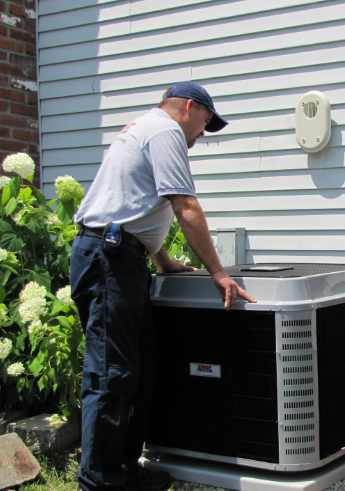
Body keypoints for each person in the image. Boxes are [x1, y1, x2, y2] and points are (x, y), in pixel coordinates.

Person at [70, 81, 256, 491]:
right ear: (188, 107)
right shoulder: (166, 130)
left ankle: (124, 471)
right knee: (112, 373)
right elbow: (184, 205)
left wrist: (162, 261)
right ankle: (99, 483)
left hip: (119, 257)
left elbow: (132, 205)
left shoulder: (146, 128)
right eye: (205, 122)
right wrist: (218, 272)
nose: (202, 134)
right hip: (110, 260)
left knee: (140, 367)